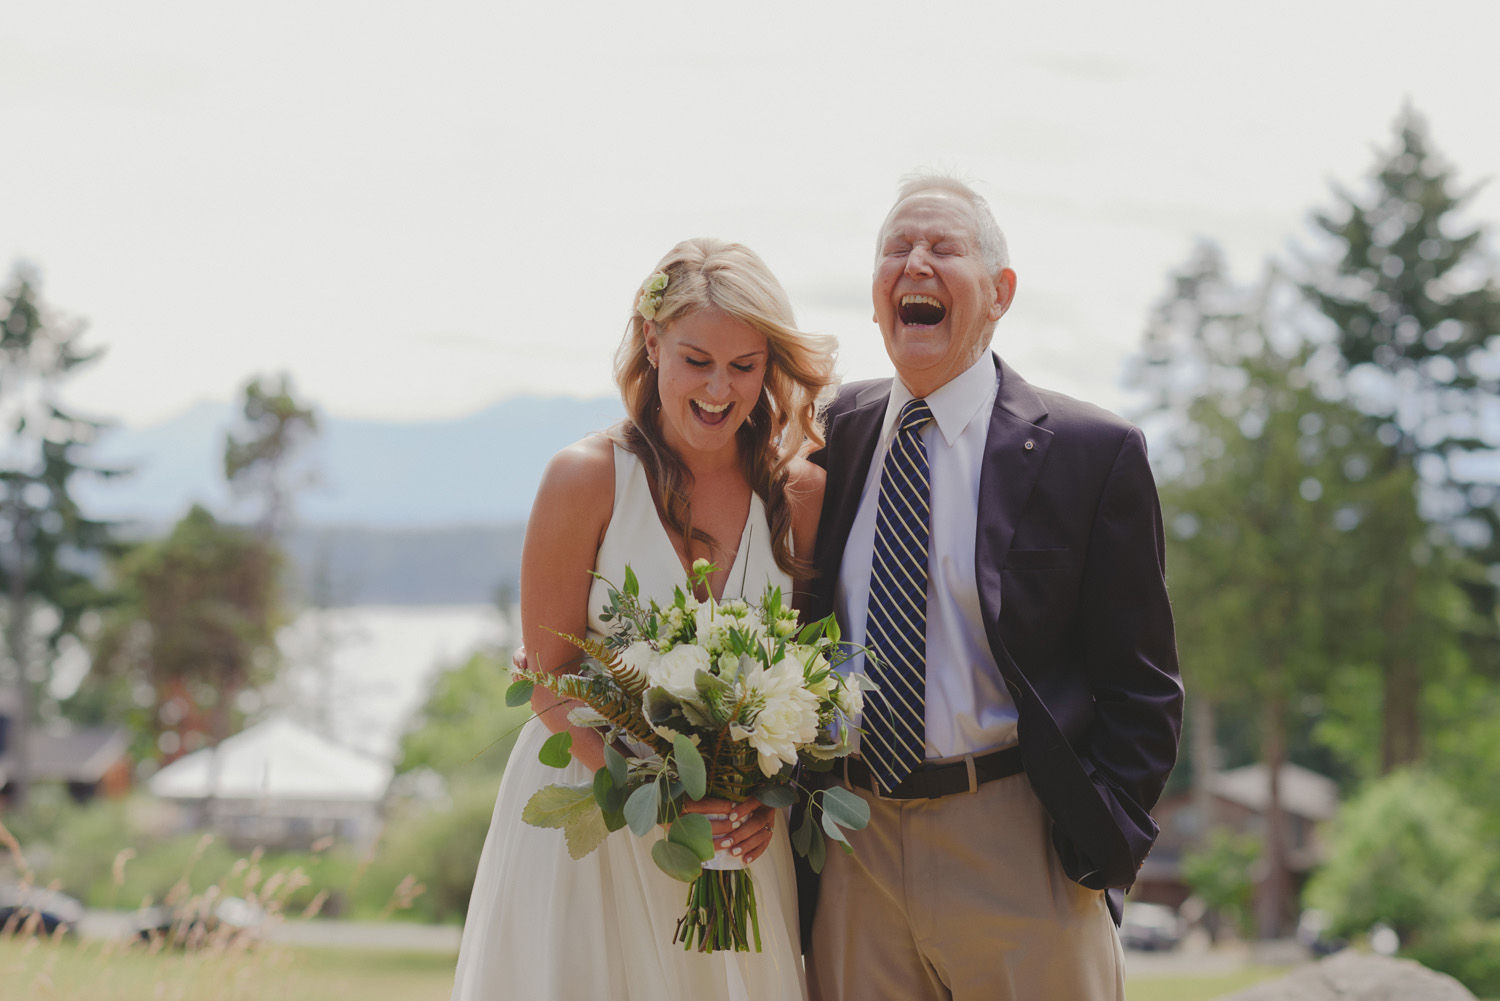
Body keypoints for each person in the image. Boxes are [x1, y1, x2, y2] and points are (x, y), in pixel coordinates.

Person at [797, 173, 1183, 1001]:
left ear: (1001, 292)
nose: (916, 263)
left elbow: (1142, 685)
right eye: (896, 249)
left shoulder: (1093, 452)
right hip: (852, 842)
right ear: (874, 298)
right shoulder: (829, 433)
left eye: (944, 247)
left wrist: (1096, 846)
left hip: (1018, 842)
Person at [451, 237, 836, 1000]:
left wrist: (765, 794)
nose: (719, 389)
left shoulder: (798, 497)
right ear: (651, 340)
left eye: (744, 366)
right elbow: (550, 680)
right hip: (592, 828)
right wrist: (656, 800)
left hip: (733, 849)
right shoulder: (587, 478)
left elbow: (811, 679)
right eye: (697, 360)